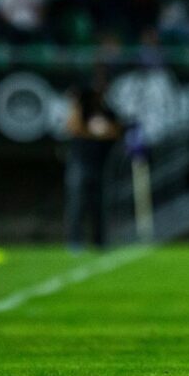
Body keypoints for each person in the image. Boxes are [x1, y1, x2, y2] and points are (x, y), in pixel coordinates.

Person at [64, 66, 122, 251]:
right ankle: (75, 242)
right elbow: (73, 128)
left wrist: (91, 133)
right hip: (80, 163)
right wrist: (76, 104)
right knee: (77, 204)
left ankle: (99, 241)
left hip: (101, 165)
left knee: (100, 206)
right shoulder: (83, 109)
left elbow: (116, 132)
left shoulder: (109, 111)